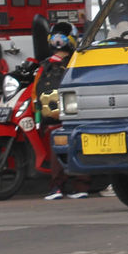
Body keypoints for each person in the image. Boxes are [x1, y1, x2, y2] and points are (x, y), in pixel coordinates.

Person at [38, 23, 91, 200]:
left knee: (58, 148)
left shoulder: (46, 66)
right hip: (75, 117)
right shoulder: (78, 63)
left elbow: (35, 92)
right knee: (78, 147)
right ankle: (79, 185)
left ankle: (57, 187)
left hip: (56, 119)